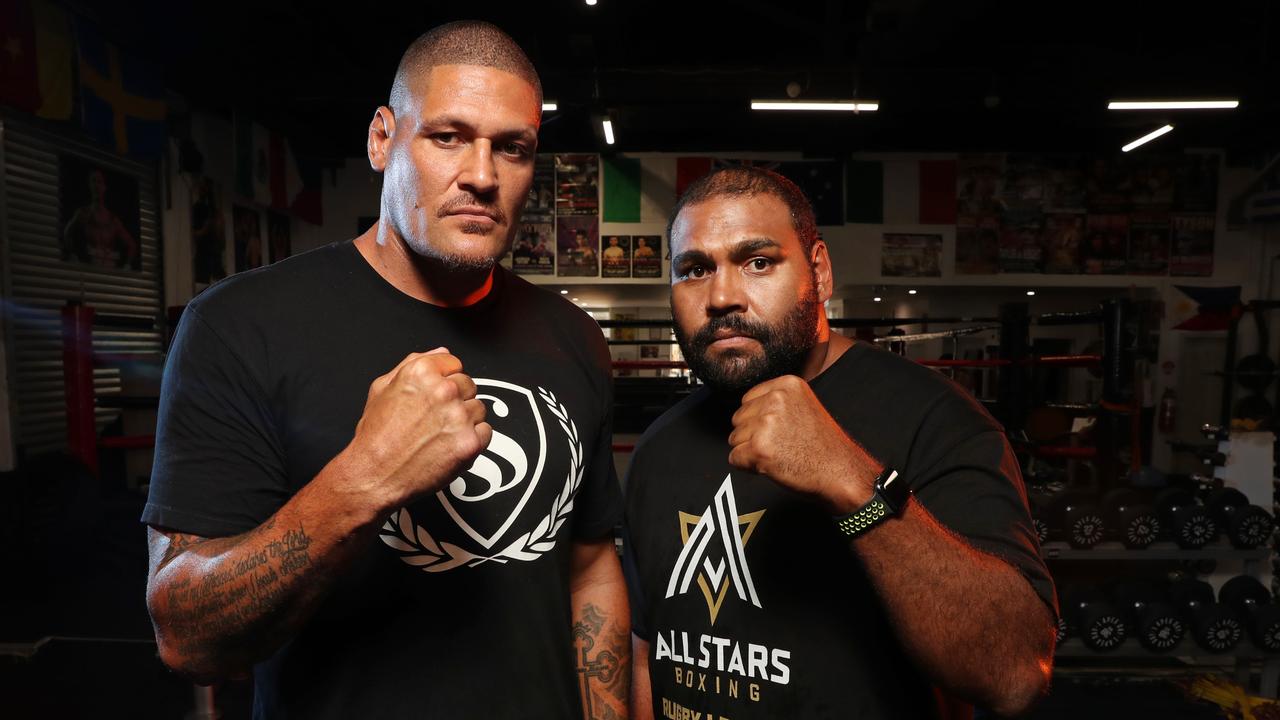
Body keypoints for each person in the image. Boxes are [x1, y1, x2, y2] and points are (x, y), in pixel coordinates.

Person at [143, 21, 629, 719]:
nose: (482, 176)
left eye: (512, 149)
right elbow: (187, 639)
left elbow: (589, 567)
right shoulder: (241, 324)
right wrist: (363, 481)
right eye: (448, 136)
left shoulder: (574, 337)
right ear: (382, 139)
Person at [622, 166, 1056, 719]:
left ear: (820, 273)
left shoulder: (933, 419)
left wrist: (853, 481)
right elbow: (645, 650)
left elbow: (1015, 675)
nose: (723, 296)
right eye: (695, 269)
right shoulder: (659, 446)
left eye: (758, 262)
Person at [63, 167, 139, 269]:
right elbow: (67, 233)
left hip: (110, 269)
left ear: (104, 187)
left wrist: (127, 265)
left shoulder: (113, 219)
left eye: (99, 182)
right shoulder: (83, 213)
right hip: (90, 269)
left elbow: (132, 245)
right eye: (93, 181)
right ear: (89, 185)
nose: (96, 185)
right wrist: (73, 255)